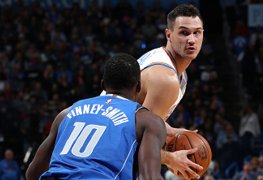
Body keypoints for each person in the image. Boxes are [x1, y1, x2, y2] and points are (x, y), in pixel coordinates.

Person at [25, 53, 166, 179]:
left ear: (103, 85)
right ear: (138, 87)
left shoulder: (66, 113)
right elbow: (149, 177)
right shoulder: (147, 120)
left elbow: (32, 173)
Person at [137, 3, 204, 179]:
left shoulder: (178, 73)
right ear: (169, 35)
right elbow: (134, 140)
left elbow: (137, 113)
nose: (192, 39)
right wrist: (171, 159)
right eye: (184, 32)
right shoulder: (165, 77)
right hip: (103, 155)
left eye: (197, 32)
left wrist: (169, 130)